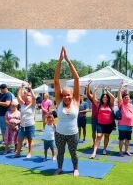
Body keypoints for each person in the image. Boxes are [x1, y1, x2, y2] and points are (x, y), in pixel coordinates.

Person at [54, 46, 80, 177]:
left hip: (73, 133)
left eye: (68, 95)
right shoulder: (59, 102)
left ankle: (75, 168)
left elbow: (76, 79)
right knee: (61, 152)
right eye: (64, 95)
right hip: (59, 133)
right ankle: (59, 167)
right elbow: (56, 81)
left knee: (73, 152)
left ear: (72, 95)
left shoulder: (76, 102)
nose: (66, 97)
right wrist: (59, 61)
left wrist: (68, 61)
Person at [89, 86, 115, 159]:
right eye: (103, 97)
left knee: (107, 136)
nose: (105, 98)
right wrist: (94, 90)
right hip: (100, 124)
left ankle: (104, 149)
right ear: (102, 98)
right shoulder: (99, 104)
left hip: (109, 124)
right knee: (99, 136)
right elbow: (93, 98)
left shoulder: (111, 104)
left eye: (106, 97)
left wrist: (106, 91)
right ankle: (94, 152)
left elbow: (113, 97)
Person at [13, 81, 36, 159]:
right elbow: (18, 96)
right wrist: (21, 87)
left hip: (30, 125)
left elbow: (34, 97)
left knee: (30, 140)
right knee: (19, 139)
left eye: (29, 98)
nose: (27, 99)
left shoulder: (32, 105)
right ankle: (18, 153)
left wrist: (30, 88)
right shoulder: (22, 104)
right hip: (22, 126)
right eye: (27, 98)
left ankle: (29, 153)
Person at [117, 83, 133, 157]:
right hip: (122, 124)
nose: (127, 99)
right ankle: (120, 151)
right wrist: (120, 87)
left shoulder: (132, 105)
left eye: (128, 98)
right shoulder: (121, 104)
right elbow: (119, 96)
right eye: (125, 98)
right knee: (121, 139)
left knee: (128, 139)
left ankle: (126, 150)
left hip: (130, 125)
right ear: (123, 99)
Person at [85, 80, 99, 147]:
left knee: (100, 132)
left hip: (100, 119)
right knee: (94, 131)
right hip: (94, 118)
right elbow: (88, 94)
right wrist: (88, 87)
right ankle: (94, 143)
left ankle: (97, 142)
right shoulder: (93, 101)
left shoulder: (100, 102)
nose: (91, 95)